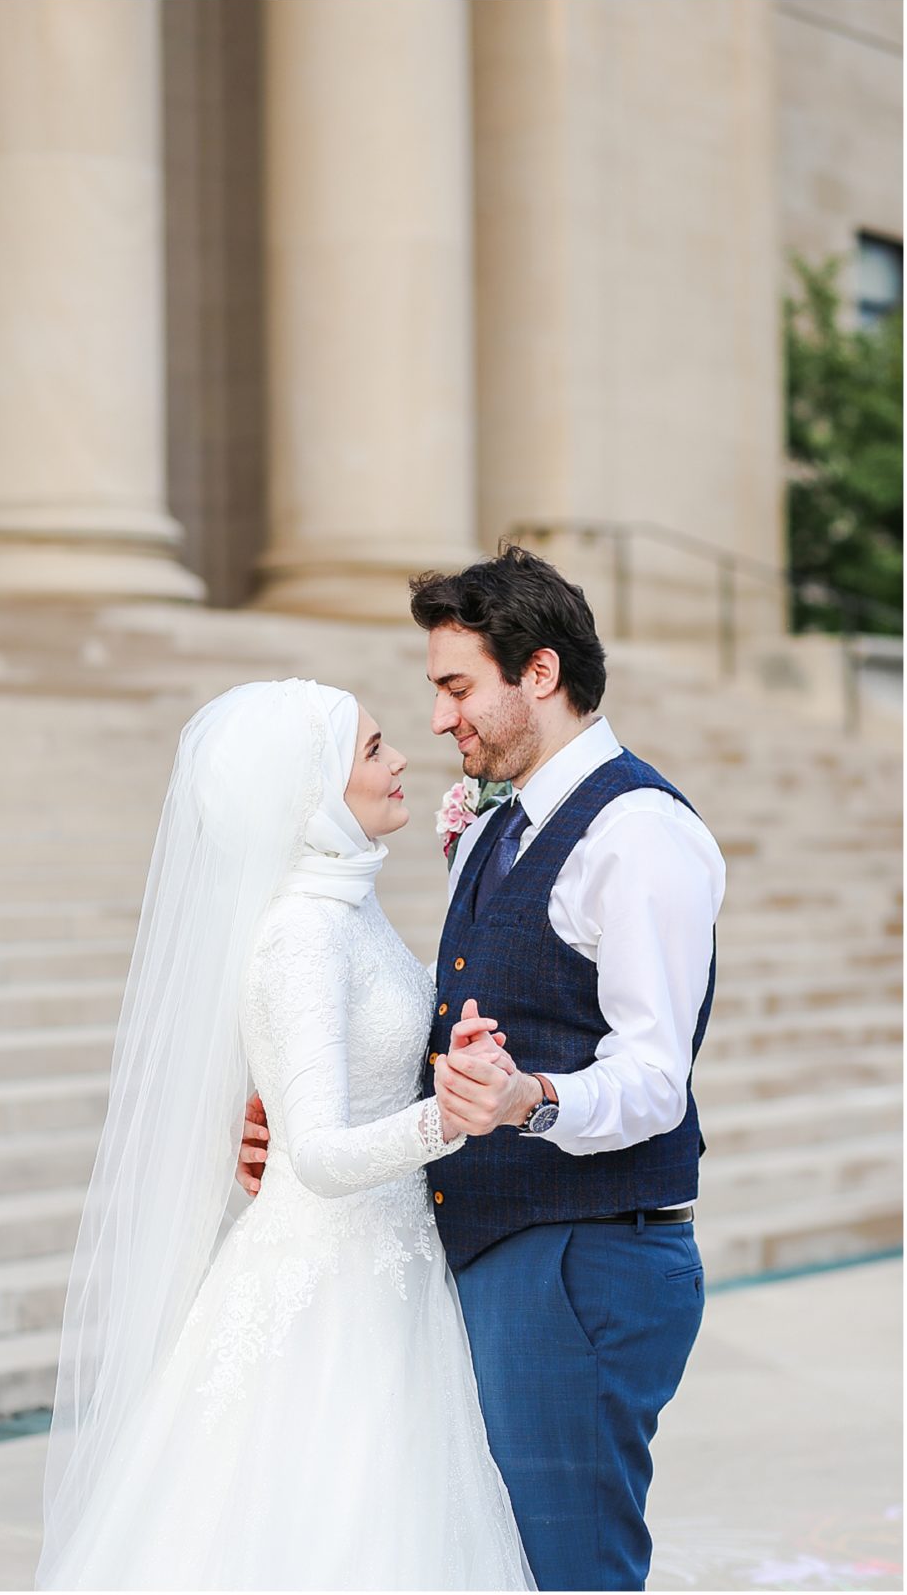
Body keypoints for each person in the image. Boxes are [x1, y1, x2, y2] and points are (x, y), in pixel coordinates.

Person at [241, 547, 725, 1591]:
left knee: (567, 1568)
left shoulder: (637, 834)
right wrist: (311, 1110)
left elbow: (653, 1075)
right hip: (499, 1249)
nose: (438, 719)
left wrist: (528, 1099)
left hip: (583, 1258)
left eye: (457, 687)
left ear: (538, 675)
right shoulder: (494, 820)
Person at [35, 679, 532, 1591]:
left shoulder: (345, 904)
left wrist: (446, 1060)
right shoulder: (303, 933)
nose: (400, 760)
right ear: (311, 789)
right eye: (374, 748)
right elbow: (321, 1154)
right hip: (327, 1287)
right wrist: (451, 1115)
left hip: (388, 1270)